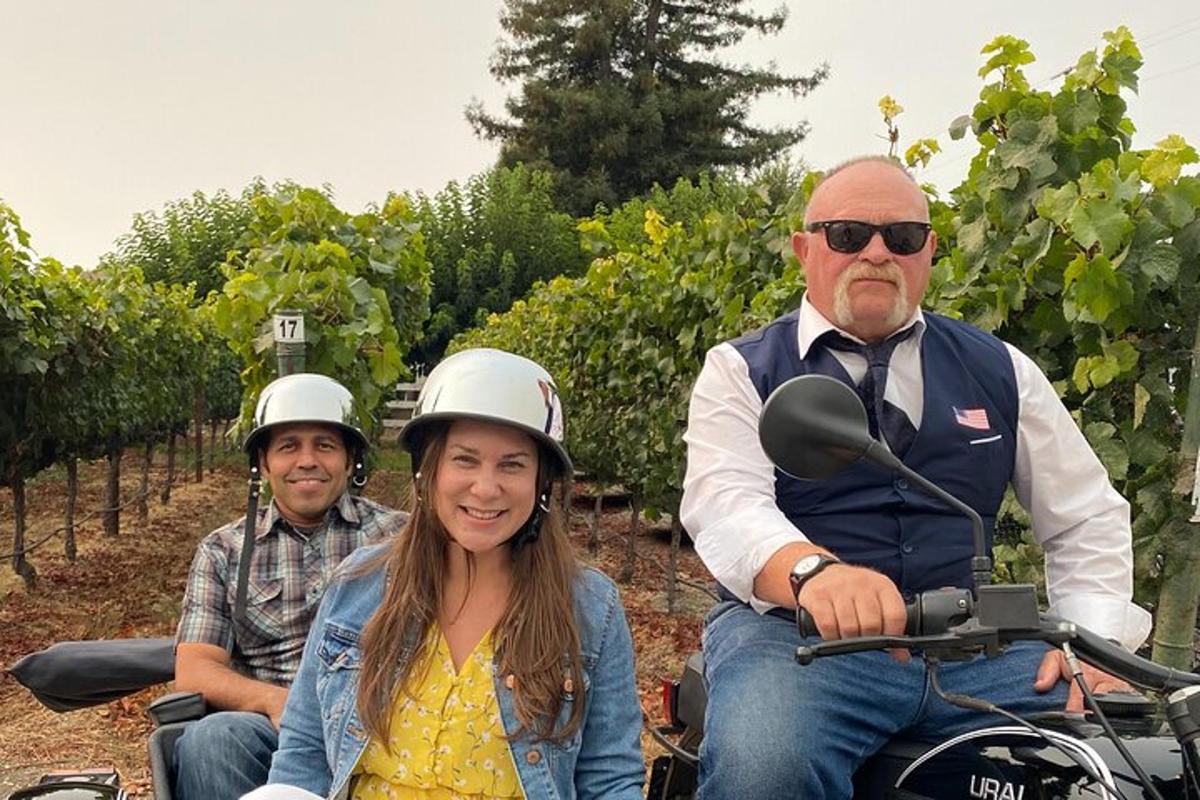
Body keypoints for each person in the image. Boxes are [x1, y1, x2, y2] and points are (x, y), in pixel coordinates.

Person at [681, 156, 1152, 800]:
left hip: (975, 648)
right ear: (804, 249)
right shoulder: (741, 369)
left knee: (1134, 761)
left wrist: (1090, 645)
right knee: (766, 767)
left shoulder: (1002, 368)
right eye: (848, 234)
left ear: (928, 252)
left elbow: (1084, 515)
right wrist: (814, 573)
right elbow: (725, 502)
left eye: (901, 237)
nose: (876, 253)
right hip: (797, 643)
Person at [257, 348, 645, 800]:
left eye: (512, 464)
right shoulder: (357, 587)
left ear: (541, 481)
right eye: (465, 459)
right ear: (429, 469)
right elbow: (305, 752)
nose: (485, 488)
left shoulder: (590, 608)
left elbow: (609, 780)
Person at [173, 373, 406, 800]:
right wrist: (276, 702)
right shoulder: (223, 551)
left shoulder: (400, 539)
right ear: (262, 464)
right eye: (288, 446)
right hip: (269, 727)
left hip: (380, 723)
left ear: (351, 460)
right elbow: (194, 671)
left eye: (325, 445)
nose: (307, 461)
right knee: (212, 741)